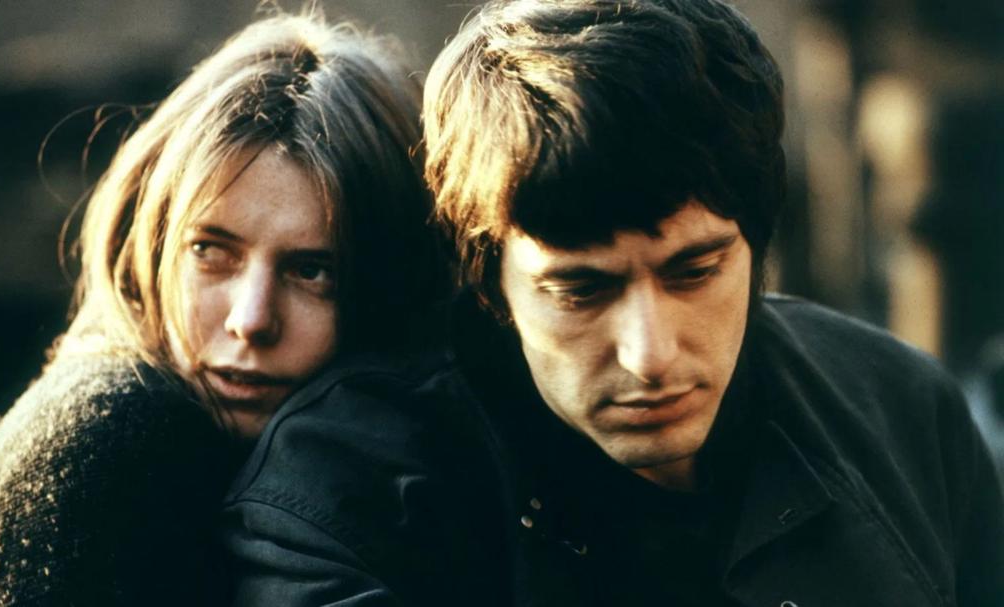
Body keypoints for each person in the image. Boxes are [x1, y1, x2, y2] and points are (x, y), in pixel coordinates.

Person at [222, 0, 1004, 605]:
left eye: (695, 270)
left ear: (755, 246)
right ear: (488, 276)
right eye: (580, 289)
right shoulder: (341, 499)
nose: (649, 353)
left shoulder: (900, 411)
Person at [0, 10, 442, 606]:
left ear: (392, 283)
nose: (250, 320)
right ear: (151, 243)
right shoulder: (124, 435)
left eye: (310, 271)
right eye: (210, 251)